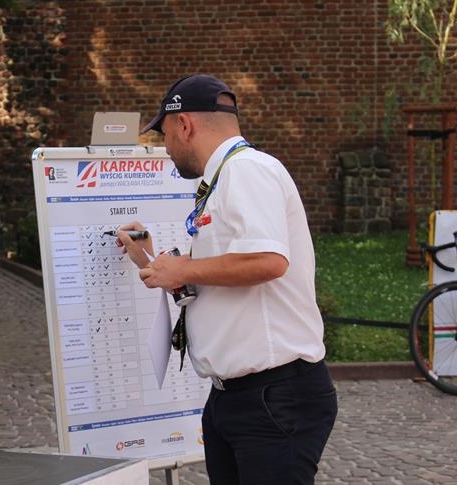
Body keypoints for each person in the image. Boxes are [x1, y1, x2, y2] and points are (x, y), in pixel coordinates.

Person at [117, 74, 337, 484]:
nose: (166, 148)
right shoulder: (224, 178)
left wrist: (183, 269)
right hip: (235, 395)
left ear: (184, 124)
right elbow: (223, 276)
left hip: (272, 395)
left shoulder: (247, 170)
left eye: (165, 134)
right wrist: (151, 258)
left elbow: (268, 262)